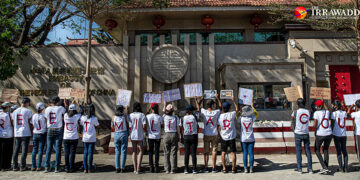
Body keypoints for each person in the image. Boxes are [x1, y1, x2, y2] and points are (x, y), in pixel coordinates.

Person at [198, 94, 222, 173]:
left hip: (206, 134)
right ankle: (214, 167)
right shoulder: (216, 112)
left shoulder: (204, 112)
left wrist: (201, 98)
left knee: (206, 152)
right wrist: (218, 98)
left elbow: (198, 107)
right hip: (214, 134)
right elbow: (221, 107)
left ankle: (206, 167)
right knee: (214, 151)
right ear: (212, 105)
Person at [44, 96, 66, 173]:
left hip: (50, 129)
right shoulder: (60, 108)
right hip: (58, 129)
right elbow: (65, 113)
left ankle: (47, 167)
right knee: (58, 149)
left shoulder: (47, 109)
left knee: (49, 149)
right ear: (57, 102)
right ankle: (57, 167)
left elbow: (46, 117)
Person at [218, 96, 239, 174]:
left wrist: (220, 134)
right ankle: (233, 168)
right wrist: (234, 100)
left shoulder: (220, 116)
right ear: (229, 108)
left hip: (224, 136)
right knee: (233, 152)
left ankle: (224, 168)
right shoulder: (231, 114)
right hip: (231, 136)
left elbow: (219, 127)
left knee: (223, 152)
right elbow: (237, 109)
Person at [291, 98, 312, 174]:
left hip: (298, 133)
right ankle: (310, 169)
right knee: (308, 151)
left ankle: (299, 168)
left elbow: (292, 119)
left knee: (298, 151)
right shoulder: (308, 112)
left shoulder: (295, 112)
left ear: (297, 104)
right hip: (306, 133)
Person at [12, 97, 33, 171]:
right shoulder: (28, 111)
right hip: (25, 132)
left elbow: (13, 122)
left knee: (16, 149)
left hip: (17, 132)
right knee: (24, 150)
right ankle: (22, 166)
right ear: (27, 103)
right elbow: (30, 122)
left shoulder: (15, 111)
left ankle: (14, 166)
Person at [313, 99, 332, 174]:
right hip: (329, 134)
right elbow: (327, 109)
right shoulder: (327, 112)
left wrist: (314, 126)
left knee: (317, 150)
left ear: (317, 106)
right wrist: (323, 103)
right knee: (326, 150)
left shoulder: (316, 113)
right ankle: (326, 167)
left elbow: (314, 125)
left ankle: (324, 167)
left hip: (320, 134)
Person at [181, 104, 199, 174]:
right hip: (193, 135)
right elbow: (198, 110)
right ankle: (194, 168)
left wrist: (182, 136)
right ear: (191, 111)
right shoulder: (194, 116)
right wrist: (197, 101)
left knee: (187, 153)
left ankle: (186, 168)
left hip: (186, 136)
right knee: (194, 153)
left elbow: (181, 128)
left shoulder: (183, 118)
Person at [163, 102, 181, 174]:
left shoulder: (164, 117)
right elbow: (178, 128)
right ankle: (173, 168)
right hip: (174, 134)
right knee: (174, 152)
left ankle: (167, 168)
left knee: (166, 152)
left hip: (166, 134)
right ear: (172, 111)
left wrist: (165, 105)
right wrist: (179, 136)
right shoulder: (176, 118)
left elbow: (164, 111)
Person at [63, 103, 82, 173]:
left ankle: (66, 167)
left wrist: (66, 104)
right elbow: (81, 111)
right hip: (74, 137)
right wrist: (79, 105)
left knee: (66, 153)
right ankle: (71, 167)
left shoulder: (65, 116)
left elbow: (65, 110)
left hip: (66, 137)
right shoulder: (76, 116)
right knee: (72, 153)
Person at [80, 103, 99, 173]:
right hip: (92, 137)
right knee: (90, 152)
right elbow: (97, 125)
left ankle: (85, 168)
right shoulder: (94, 118)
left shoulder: (82, 117)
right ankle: (90, 168)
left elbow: (81, 125)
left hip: (85, 136)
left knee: (85, 152)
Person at [128, 102, 146, 174]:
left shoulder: (131, 115)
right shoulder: (142, 115)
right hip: (140, 134)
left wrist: (128, 110)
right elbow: (144, 126)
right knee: (140, 150)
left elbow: (128, 122)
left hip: (133, 134)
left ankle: (134, 169)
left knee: (134, 150)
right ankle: (138, 168)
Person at [331, 100, 348, 172]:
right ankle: (346, 167)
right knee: (344, 150)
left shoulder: (334, 113)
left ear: (335, 106)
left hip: (336, 133)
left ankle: (340, 167)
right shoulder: (344, 113)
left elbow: (332, 123)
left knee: (338, 151)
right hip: (343, 133)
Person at [145, 103, 163, 173]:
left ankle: (151, 166)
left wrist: (148, 109)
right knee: (157, 151)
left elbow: (144, 116)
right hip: (157, 135)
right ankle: (156, 166)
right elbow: (162, 125)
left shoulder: (148, 116)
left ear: (152, 109)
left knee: (150, 151)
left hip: (150, 135)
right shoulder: (159, 117)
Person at [239, 105, 257, 173]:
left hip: (243, 138)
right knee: (251, 153)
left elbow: (237, 115)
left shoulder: (241, 118)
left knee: (245, 153)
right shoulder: (252, 118)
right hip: (251, 138)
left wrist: (240, 111)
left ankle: (245, 168)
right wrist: (253, 107)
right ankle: (251, 168)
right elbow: (256, 113)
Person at [112, 105, 129, 173]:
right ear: (122, 110)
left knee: (117, 151)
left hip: (116, 134)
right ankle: (122, 167)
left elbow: (113, 127)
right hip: (123, 133)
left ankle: (117, 167)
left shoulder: (113, 117)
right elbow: (127, 116)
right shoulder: (124, 117)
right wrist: (127, 109)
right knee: (123, 151)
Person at [30, 102, 47, 171]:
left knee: (34, 150)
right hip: (42, 133)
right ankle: (39, 166)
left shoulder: (34, 115)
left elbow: (32, 124)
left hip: (35, 133)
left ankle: (33, 166)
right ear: (42, 108)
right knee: (40, 150)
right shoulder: (44, 116)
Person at [0, 102, 14, 171]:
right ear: (7, 107)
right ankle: (6, 166)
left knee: (1, 151)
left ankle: (1, 166)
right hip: (8, 135)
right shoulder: (9, 115)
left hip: (0, 134)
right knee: (8, 152)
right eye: (9, 107)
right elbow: (12, 123)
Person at [349, 99, 360, 172]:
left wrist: (350, 107)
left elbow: (349, 114)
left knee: (359, 149)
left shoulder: (355, 114)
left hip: (358, 133)